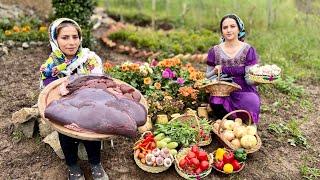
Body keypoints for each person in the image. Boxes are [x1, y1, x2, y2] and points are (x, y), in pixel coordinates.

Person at [39, 18, 108, 180]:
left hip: (90, 106)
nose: (71, 42)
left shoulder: (90, 59)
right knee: (66, 135)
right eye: (65, 37)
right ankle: (72, 166)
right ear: (55, 40)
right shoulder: (49, 67)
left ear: (80, 38)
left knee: (92, 131)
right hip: (64, 109)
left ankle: (95, 163)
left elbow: (97, 85)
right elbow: (51, 92)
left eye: (75, 37)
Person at [206, 14, 260, 124]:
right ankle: (227, 124)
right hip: (223, 89)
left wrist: (258, 79)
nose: (229, 30)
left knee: (251, 101)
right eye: (225, 28)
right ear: (221, 31)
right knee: (216, 101)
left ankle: (246, 123)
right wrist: (215, 73)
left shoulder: (248, 50)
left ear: (239, 29)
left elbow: (249, 80)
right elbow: (208, 76)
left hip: (244, 88)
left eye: (232, 26)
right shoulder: (214, 51)